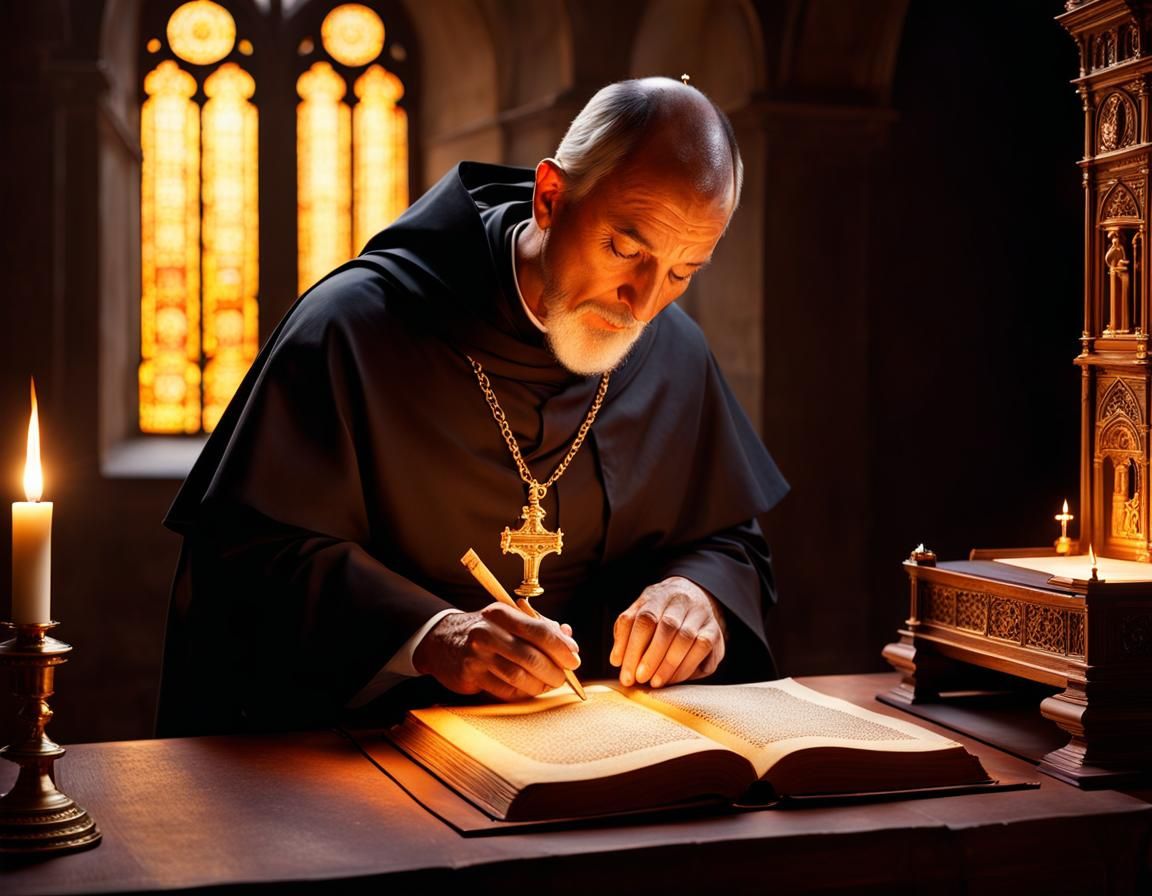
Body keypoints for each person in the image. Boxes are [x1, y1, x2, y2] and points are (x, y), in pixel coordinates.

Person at [157, 76, 789, 736]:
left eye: (684, 271)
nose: (645, 301)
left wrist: (699, 594)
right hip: (377, 763)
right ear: (550, 197)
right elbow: (248, 557)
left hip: (598, 754)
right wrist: (432, 635)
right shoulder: (352, 327)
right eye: (625, 249)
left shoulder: (673, 351)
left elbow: (728, 537)